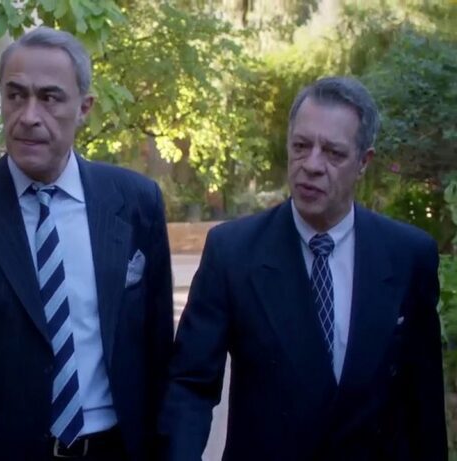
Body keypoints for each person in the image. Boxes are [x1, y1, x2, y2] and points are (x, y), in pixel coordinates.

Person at [0, 26, 174, 461]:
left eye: (50, 98)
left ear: (84, 107)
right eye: (15, 95)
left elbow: (158, 350)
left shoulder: (135, 202)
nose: (29, 115)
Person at [159, 76, 447, 460]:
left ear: (364, 162)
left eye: (333, 153)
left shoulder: (409, 255)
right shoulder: (233, 252)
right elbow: (191, 385)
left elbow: (423, 401)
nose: (311, 165)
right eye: (300, 146)